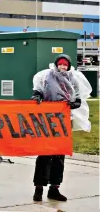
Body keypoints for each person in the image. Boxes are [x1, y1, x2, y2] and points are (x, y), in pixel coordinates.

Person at [30, 54, 91, 202]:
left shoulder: (72, 78)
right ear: (56, 65)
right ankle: (39, 187)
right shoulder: (47, 76)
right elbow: (39, 89)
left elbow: (77, 96)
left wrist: (76, 102)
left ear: (69, 66)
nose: (62, 67)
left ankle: (54, 188)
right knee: (44, 153)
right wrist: (37, 96)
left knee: (59, 155)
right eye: (60, 64)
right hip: (48, 119)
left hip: (64, 120)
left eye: (65, 65)